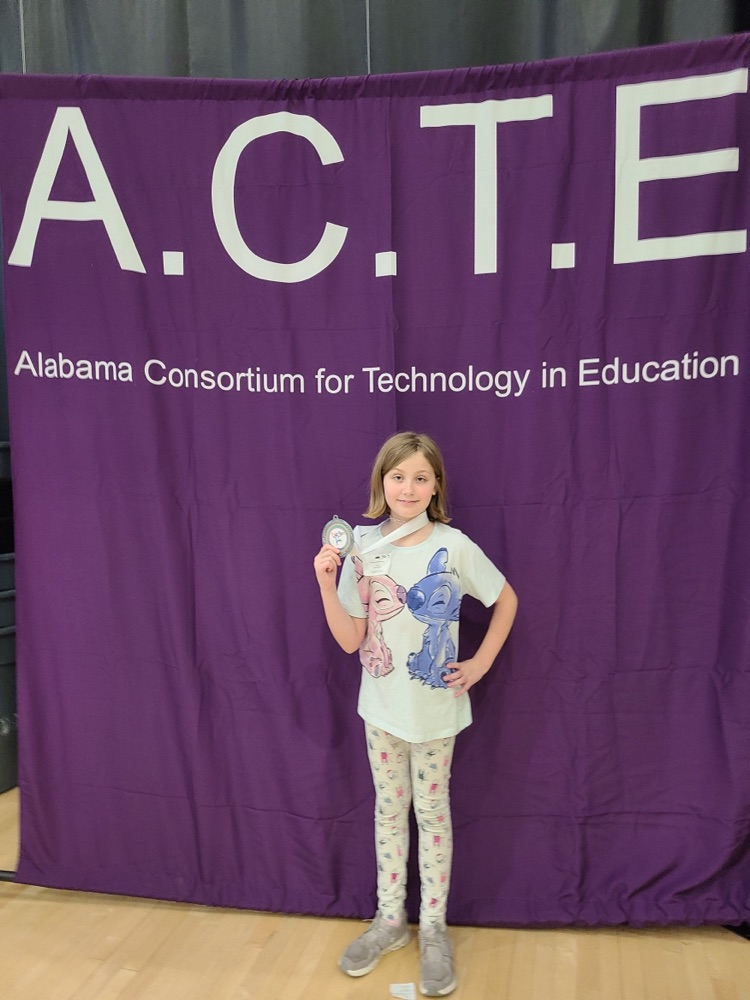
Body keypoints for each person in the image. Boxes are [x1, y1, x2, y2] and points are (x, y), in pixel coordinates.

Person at [313, 431, 518, 997]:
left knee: (432, 815)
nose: (408, 487)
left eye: (420, 477)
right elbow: (352, 641)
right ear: (382, 481)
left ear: (436, 486)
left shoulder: (453, 547)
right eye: (398, 476)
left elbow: (505, 599)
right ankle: (388, 921)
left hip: (434, 715)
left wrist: (479, 664)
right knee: (387, 813)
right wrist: (327, 584)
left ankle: (432, 928)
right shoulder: (361, 546)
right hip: (380, 711)